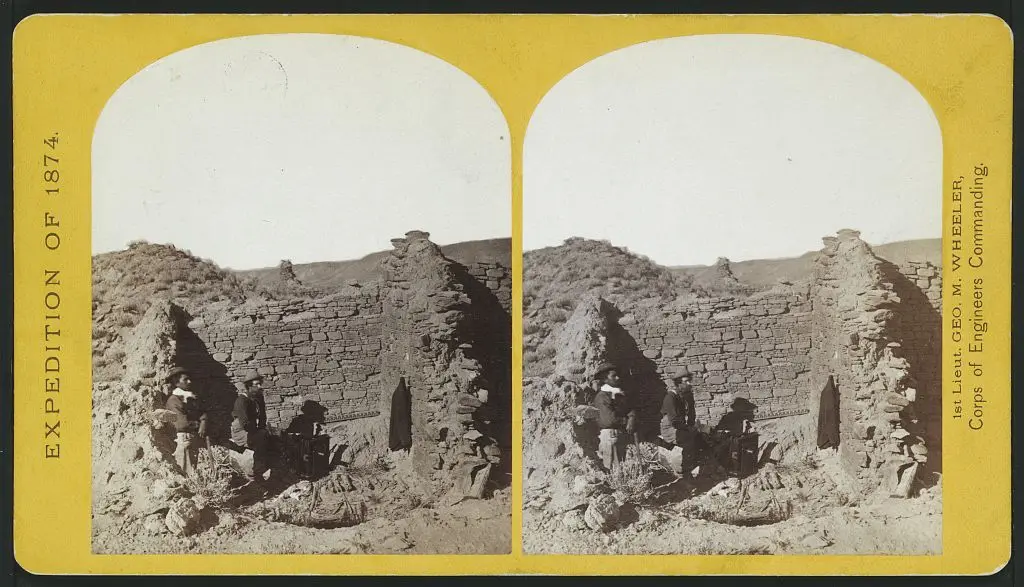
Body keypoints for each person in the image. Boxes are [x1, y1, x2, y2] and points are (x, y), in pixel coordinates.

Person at [590, 361, 637, 471]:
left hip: (617, 434)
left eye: (617, 375)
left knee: (619, 466)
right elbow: (609, 420)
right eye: (613, 376)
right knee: (612, 467)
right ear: (605, 379)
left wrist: (632, 418)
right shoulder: (602, 397)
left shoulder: (616, 394)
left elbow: (629, 408)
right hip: (610, 435)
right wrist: (626, 421)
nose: (617, 378)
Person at [164, 366, 208, 476]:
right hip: (183, 440)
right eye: (185, 379)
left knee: (193, 471)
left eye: (189, 379)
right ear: (176, 382)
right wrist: (198, 423)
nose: (189, 381)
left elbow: (202, 413)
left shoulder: (188, 398)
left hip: (192, 438)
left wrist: (203, 421)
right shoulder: (173, 400)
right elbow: (181, 424)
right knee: (185, 472)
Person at [231, 370, 271, 480]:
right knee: (260, 438)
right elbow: (245, 423)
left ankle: (266, 465)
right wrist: (258, 432)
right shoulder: (242, 400)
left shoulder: (258, 397)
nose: (259, 386)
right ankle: (255, 470)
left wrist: (262, 428)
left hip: (252, 429)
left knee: (268, 436)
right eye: (256, 384)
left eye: (260, 384)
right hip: (241, 431)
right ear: (249, 386)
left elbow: (262, 416)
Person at [660, 373, 697, 446]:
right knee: (690, 438)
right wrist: (688, 429)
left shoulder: (687, 395)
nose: (689, 383)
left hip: (681, 426)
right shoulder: (670, 397)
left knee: (700, 435)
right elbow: (674, 421)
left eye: (689, 381)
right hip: (670, 429)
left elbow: (691, 414)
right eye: (686, 381)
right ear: (679, 383)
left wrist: (691, 426)